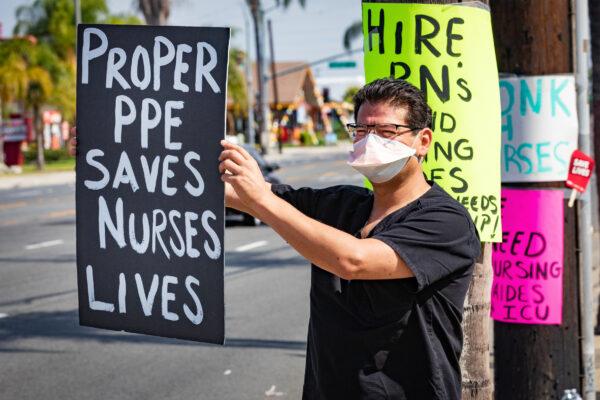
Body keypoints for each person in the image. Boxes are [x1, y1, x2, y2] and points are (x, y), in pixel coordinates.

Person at [222, 77, 481, 399]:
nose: (370, 142)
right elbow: (234, 194)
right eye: (361, 131)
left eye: (386, 132)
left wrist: (261, 199)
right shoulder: (341, 204)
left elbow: (353, 260)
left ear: (422, 140)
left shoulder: (444, 220)